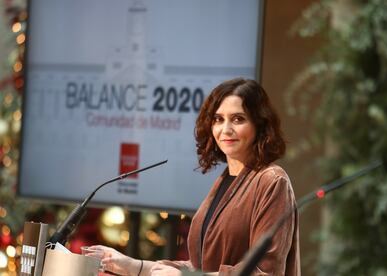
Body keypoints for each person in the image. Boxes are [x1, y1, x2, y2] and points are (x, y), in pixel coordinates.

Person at [89, 78, 300, 275]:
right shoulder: (226, 180)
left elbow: (264, 272)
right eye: (218, 119)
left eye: (238, 119)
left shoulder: (272, 180)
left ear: (259, 125)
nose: (226, 129)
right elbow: (199, 267)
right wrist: (131, 265)